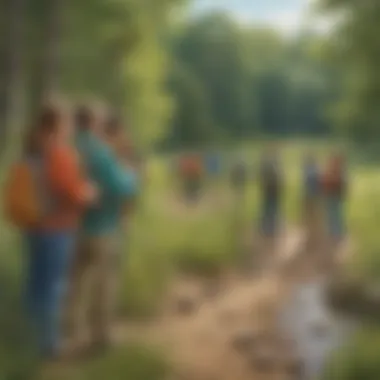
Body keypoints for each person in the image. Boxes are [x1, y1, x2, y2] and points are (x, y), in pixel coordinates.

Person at [3, 103, 97, 359]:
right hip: (56, 229)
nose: (69, 129)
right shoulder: (59, 153)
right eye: (66, 124)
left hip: (32, 228)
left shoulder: (31, 150)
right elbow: (71, 191)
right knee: (53, 287)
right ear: (57, 126)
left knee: (34, 285)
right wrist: (89, 193)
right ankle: (49, 345)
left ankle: (28, 339)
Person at [65, 105, 138, 354]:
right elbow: (120, 187)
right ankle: (101, 336)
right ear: (93, 122)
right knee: (104, 285)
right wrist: (130, 175)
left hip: (74, 227)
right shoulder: (99, 152)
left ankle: (73, 333)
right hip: (103, 228)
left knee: (75, 285)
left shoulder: (69, 148)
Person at [259, 147, 283, 238]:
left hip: (271, 191)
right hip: (271, 191)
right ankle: (269, 229)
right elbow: (277, 180)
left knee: (268, 209)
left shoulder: (267, 166)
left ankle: (268, 228)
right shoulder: (272, 167)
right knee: (270, 209)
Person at [322, 153, 347, 243]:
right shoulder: (335, 171)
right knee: (332, 215)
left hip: (334, 196)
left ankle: (336, 235)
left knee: (335, 215)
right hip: (331, 196)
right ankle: (334, 234)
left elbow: (341, 185)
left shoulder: (338, 172)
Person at [302, 154, 322, 247]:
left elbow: (306, 185)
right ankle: (315, 236)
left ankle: (310, 236)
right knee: (315, 216)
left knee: (309, 217)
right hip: (316, 197)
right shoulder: (317, 171)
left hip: (309, 198)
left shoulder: (307, 171)